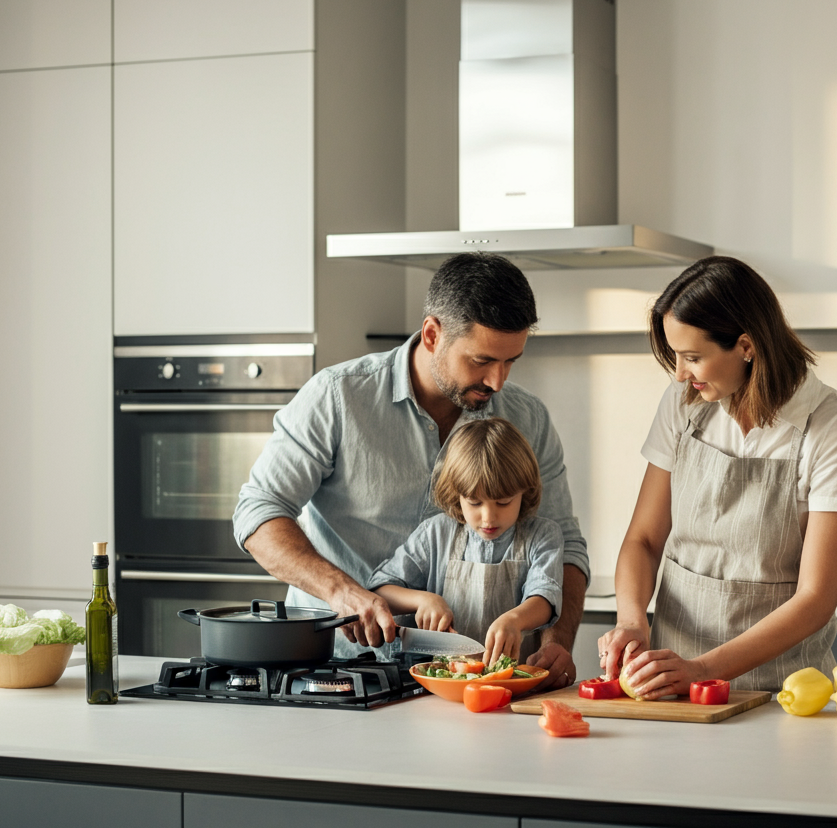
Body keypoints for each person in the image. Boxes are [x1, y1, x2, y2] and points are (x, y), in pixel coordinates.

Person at [233, 252, 588, 689]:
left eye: (511, 361)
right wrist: (343, 591)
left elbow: (566, 544)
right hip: (333, 670)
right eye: (481, 361)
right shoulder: (338, 396)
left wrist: (558, 640)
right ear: (433, 334)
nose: (498, 381)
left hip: (475, 684)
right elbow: (258, 512)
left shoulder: (527, 417)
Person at [598, 256, 837, 696]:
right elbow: (644, 540)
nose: (680, 374)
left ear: (746, 346)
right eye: (675, 356)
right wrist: (631, 621)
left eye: (692, 357)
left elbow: (816, 599)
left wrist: (702, 668)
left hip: (783, 689)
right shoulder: (684, 404)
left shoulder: (835, 425)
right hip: (671, 685)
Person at [368, 417, 564, 666]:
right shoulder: (435, 533)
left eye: (504, 502)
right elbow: (379, 591)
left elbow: (545, 598)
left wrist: (514, 620)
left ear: (525, 492)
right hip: (439, 687)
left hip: (514, 687)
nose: (488, 517)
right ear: (456, 495)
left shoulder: (543, 535)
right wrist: (424, 600)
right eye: (474, 502)